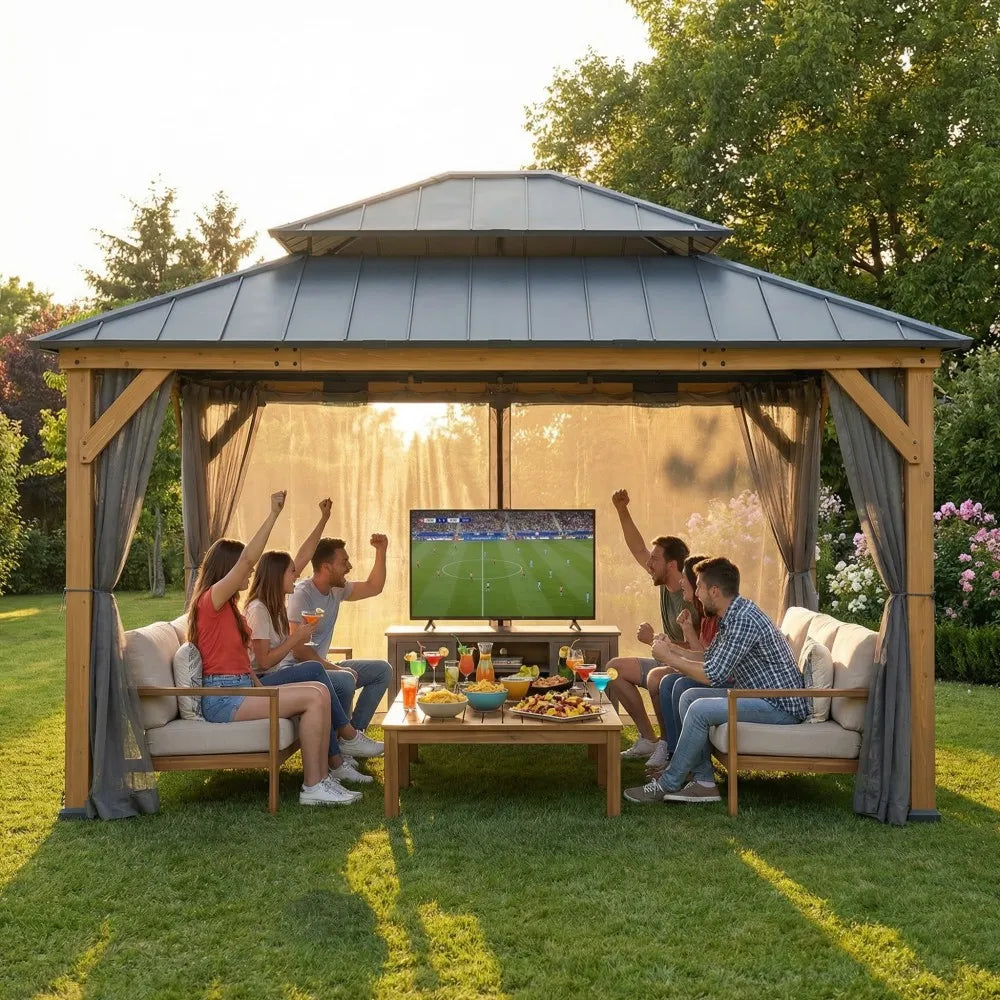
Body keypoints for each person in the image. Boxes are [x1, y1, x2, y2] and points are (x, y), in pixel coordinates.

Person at [187, 490, 356, 806]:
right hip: (223, 700)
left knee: (319, 690)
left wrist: (260, 687)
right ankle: (313, 786)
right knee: (314, 695)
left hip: (241, 689)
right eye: (243, 568)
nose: (250, 572)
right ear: (228, 569)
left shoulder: (230, 608)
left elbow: (242, 662)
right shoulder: (211, 601)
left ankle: (322, 780)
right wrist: (273, 514)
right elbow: (249, 559)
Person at [624, 557, 808, 804]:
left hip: (778, 704)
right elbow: (710, 657)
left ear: (714, 591)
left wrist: (669, 658)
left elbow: (713, 674)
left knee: (699, 708)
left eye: (699, 587)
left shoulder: (743, 620)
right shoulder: (733, 614)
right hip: (755, 694)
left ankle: (667, 783)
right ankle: (704, 782)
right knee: (687, 695)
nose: (696, 594)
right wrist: (674, 649)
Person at [245, 502, 383, 791]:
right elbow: (266, 662)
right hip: (269, 678)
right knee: (327, 675)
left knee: (370, 671)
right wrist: (296, 640)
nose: (295, 576)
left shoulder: (276, 604)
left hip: (290, 670)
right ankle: (345, 742)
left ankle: (346, 746)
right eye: (290, 573)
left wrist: (324, 518)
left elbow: (304, 557)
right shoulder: (264, 608)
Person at [606, 488, 694, 759]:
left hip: (685, 665)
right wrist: (622, 509)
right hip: (667, 658)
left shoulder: (692, 596)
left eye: (655, 559)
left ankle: (667, 745)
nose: (649, 563)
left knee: (657, 677)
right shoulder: (664, 580)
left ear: (672, 565)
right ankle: (648, 739)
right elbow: (638, 548)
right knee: (614, 669)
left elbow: (697, 649)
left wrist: (654, 639)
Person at [287, 533, 392, 734]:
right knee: (344, 679)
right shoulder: (302, 595)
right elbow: (299, 651)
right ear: (326, 567)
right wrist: (336, 668)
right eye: (344, 562)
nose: (349, 567)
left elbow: (373, 587)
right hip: (298, 671)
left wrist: (381, 551)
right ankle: (346, 739)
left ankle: (353, 735)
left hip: (321, 667)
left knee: (382, 670)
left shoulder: (336, 590)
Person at [643, 553, 719, 771]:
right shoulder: (706, 613)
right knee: (668, 681)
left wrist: (670, 655)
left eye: (685, 578)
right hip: (715, 674)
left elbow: (710, 665)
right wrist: (682, 636)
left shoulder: (717, 615)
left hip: (729, 684)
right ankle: (673, 754)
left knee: (672, 683)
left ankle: (679, 761)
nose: (681, 582)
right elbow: (705, 654)